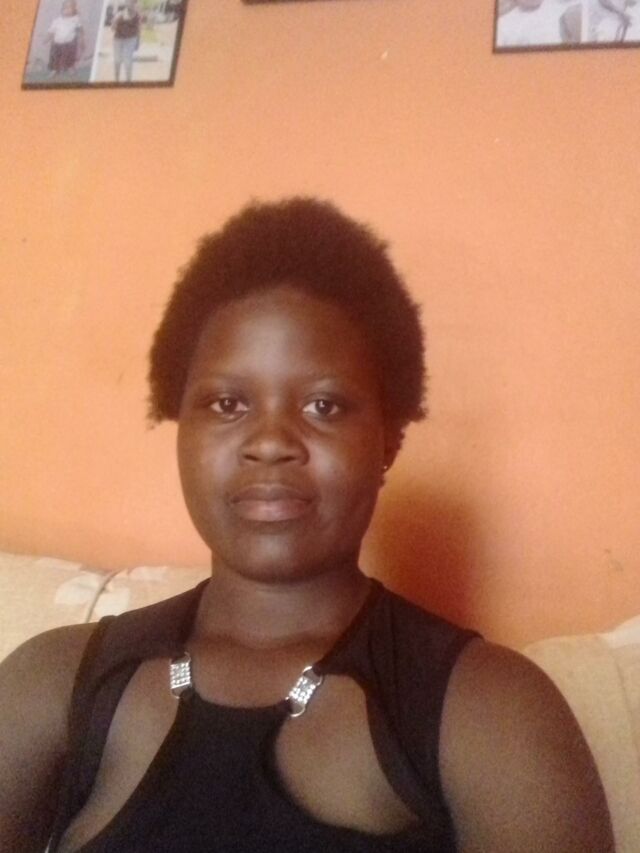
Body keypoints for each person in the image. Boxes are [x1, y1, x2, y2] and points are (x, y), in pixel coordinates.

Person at [0, 199, 614, 852]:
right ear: (180, 427)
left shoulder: (490, 710)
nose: (270, 442)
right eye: (227, 403)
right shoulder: (53, 681)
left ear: (388, 441)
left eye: (324, 405)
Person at [45, 0, 84, 79]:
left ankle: (70, 68)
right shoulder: (57, 20)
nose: (67, 9)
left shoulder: (76, 19)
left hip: (69, 43)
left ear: (74, 10)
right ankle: (54, 70)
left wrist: (82, 39)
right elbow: (51, 31)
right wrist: (47, 38)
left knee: (70, 56)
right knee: (55, 57)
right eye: (65, 7)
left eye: (70, 8)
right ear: (62, 9)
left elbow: (80, 29)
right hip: (57, 43)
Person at [111, 0, 141, 83]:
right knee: (117, 60)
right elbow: (112, 28)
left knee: (128, 61)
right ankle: (116, 81)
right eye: (128, 1)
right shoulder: (120, 14)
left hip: (130, 39)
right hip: (118, 39)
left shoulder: (137, 16)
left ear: (135, 3)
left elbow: (138, 29)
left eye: (133, 2)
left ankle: (128, 82)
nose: (131, 3)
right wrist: (115, 20)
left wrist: (138, 41)